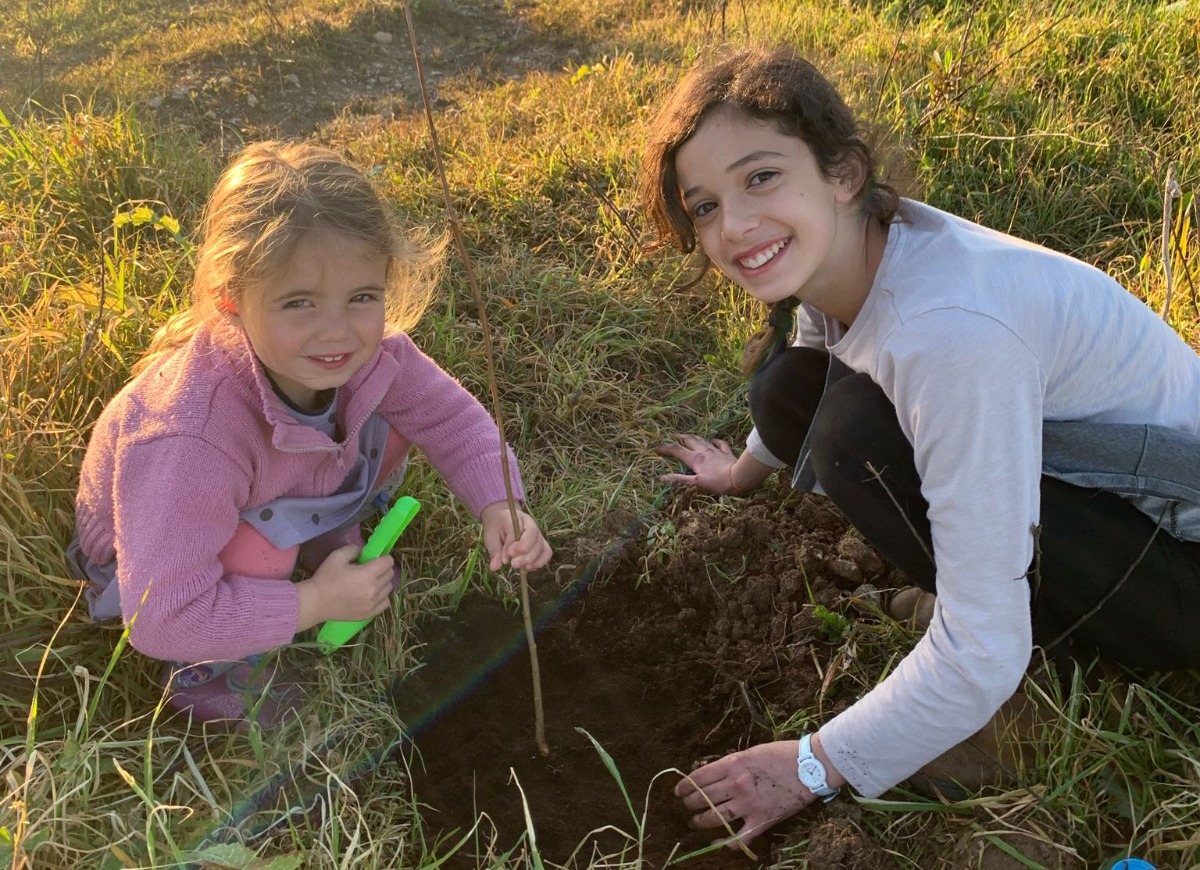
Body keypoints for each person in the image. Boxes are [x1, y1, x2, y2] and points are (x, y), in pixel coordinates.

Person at [641, 46, 1200, 846]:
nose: (733, 227)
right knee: (792, 389)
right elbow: (817, 343)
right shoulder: (865, 248)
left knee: (854, 440)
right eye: (703, 205)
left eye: (761, 178)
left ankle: (1004, 700)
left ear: (842, 172)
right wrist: (742, 472)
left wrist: (809, 764)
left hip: (1188, 566)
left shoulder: (949, 335)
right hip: (1107, 496)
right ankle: (996, 596)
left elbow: (982, 649)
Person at [70, 141, 552, 726]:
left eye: (362, 298)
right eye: (299, 302)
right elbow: (161, 614)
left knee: (392, 416)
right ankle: (214, 670)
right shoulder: (190, 439)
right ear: (231, 299)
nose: (337, 333)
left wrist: (500, 503)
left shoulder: (374, 357)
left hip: (275, 489)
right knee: (260, 551)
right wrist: (316, 602)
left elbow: (450, 418)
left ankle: (315, 543)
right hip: (153, 559)